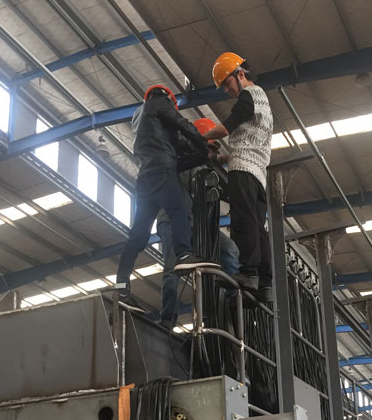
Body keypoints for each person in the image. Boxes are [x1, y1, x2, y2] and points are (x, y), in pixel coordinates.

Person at [115, 84, 218, 308]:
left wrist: (203, 157)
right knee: (178, 211)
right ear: (169, 99)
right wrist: (202, 144)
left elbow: (178, 157)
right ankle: (184, 255)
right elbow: (182, 125)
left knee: (138, 235)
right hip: (161, 172)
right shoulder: (158, 103)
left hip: (146, 179)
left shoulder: (150, 128)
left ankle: (121, 287)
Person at [201, 53, 273, 302]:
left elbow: (226, 128)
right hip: (258, 173)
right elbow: (249, 141)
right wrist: (222, 158)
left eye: (228, 83)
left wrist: (199, 137)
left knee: (243, 220)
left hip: (243, 170)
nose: (227, 90)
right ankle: (265, 283)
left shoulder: (248, 95)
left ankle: (249, 272)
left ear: (240, 74)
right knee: (258, 226)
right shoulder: (263, 100)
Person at [156, 117, 240, 327]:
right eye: (208, 146)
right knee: (172, 268)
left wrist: (225, 159)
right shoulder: (177, 158)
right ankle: (168, 318)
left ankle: (233, 302)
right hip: (173, 222)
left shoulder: (204, 163)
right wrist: (207, 157)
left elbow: (209, 167)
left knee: (230, 250)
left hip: (199, 224)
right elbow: (188, 177)